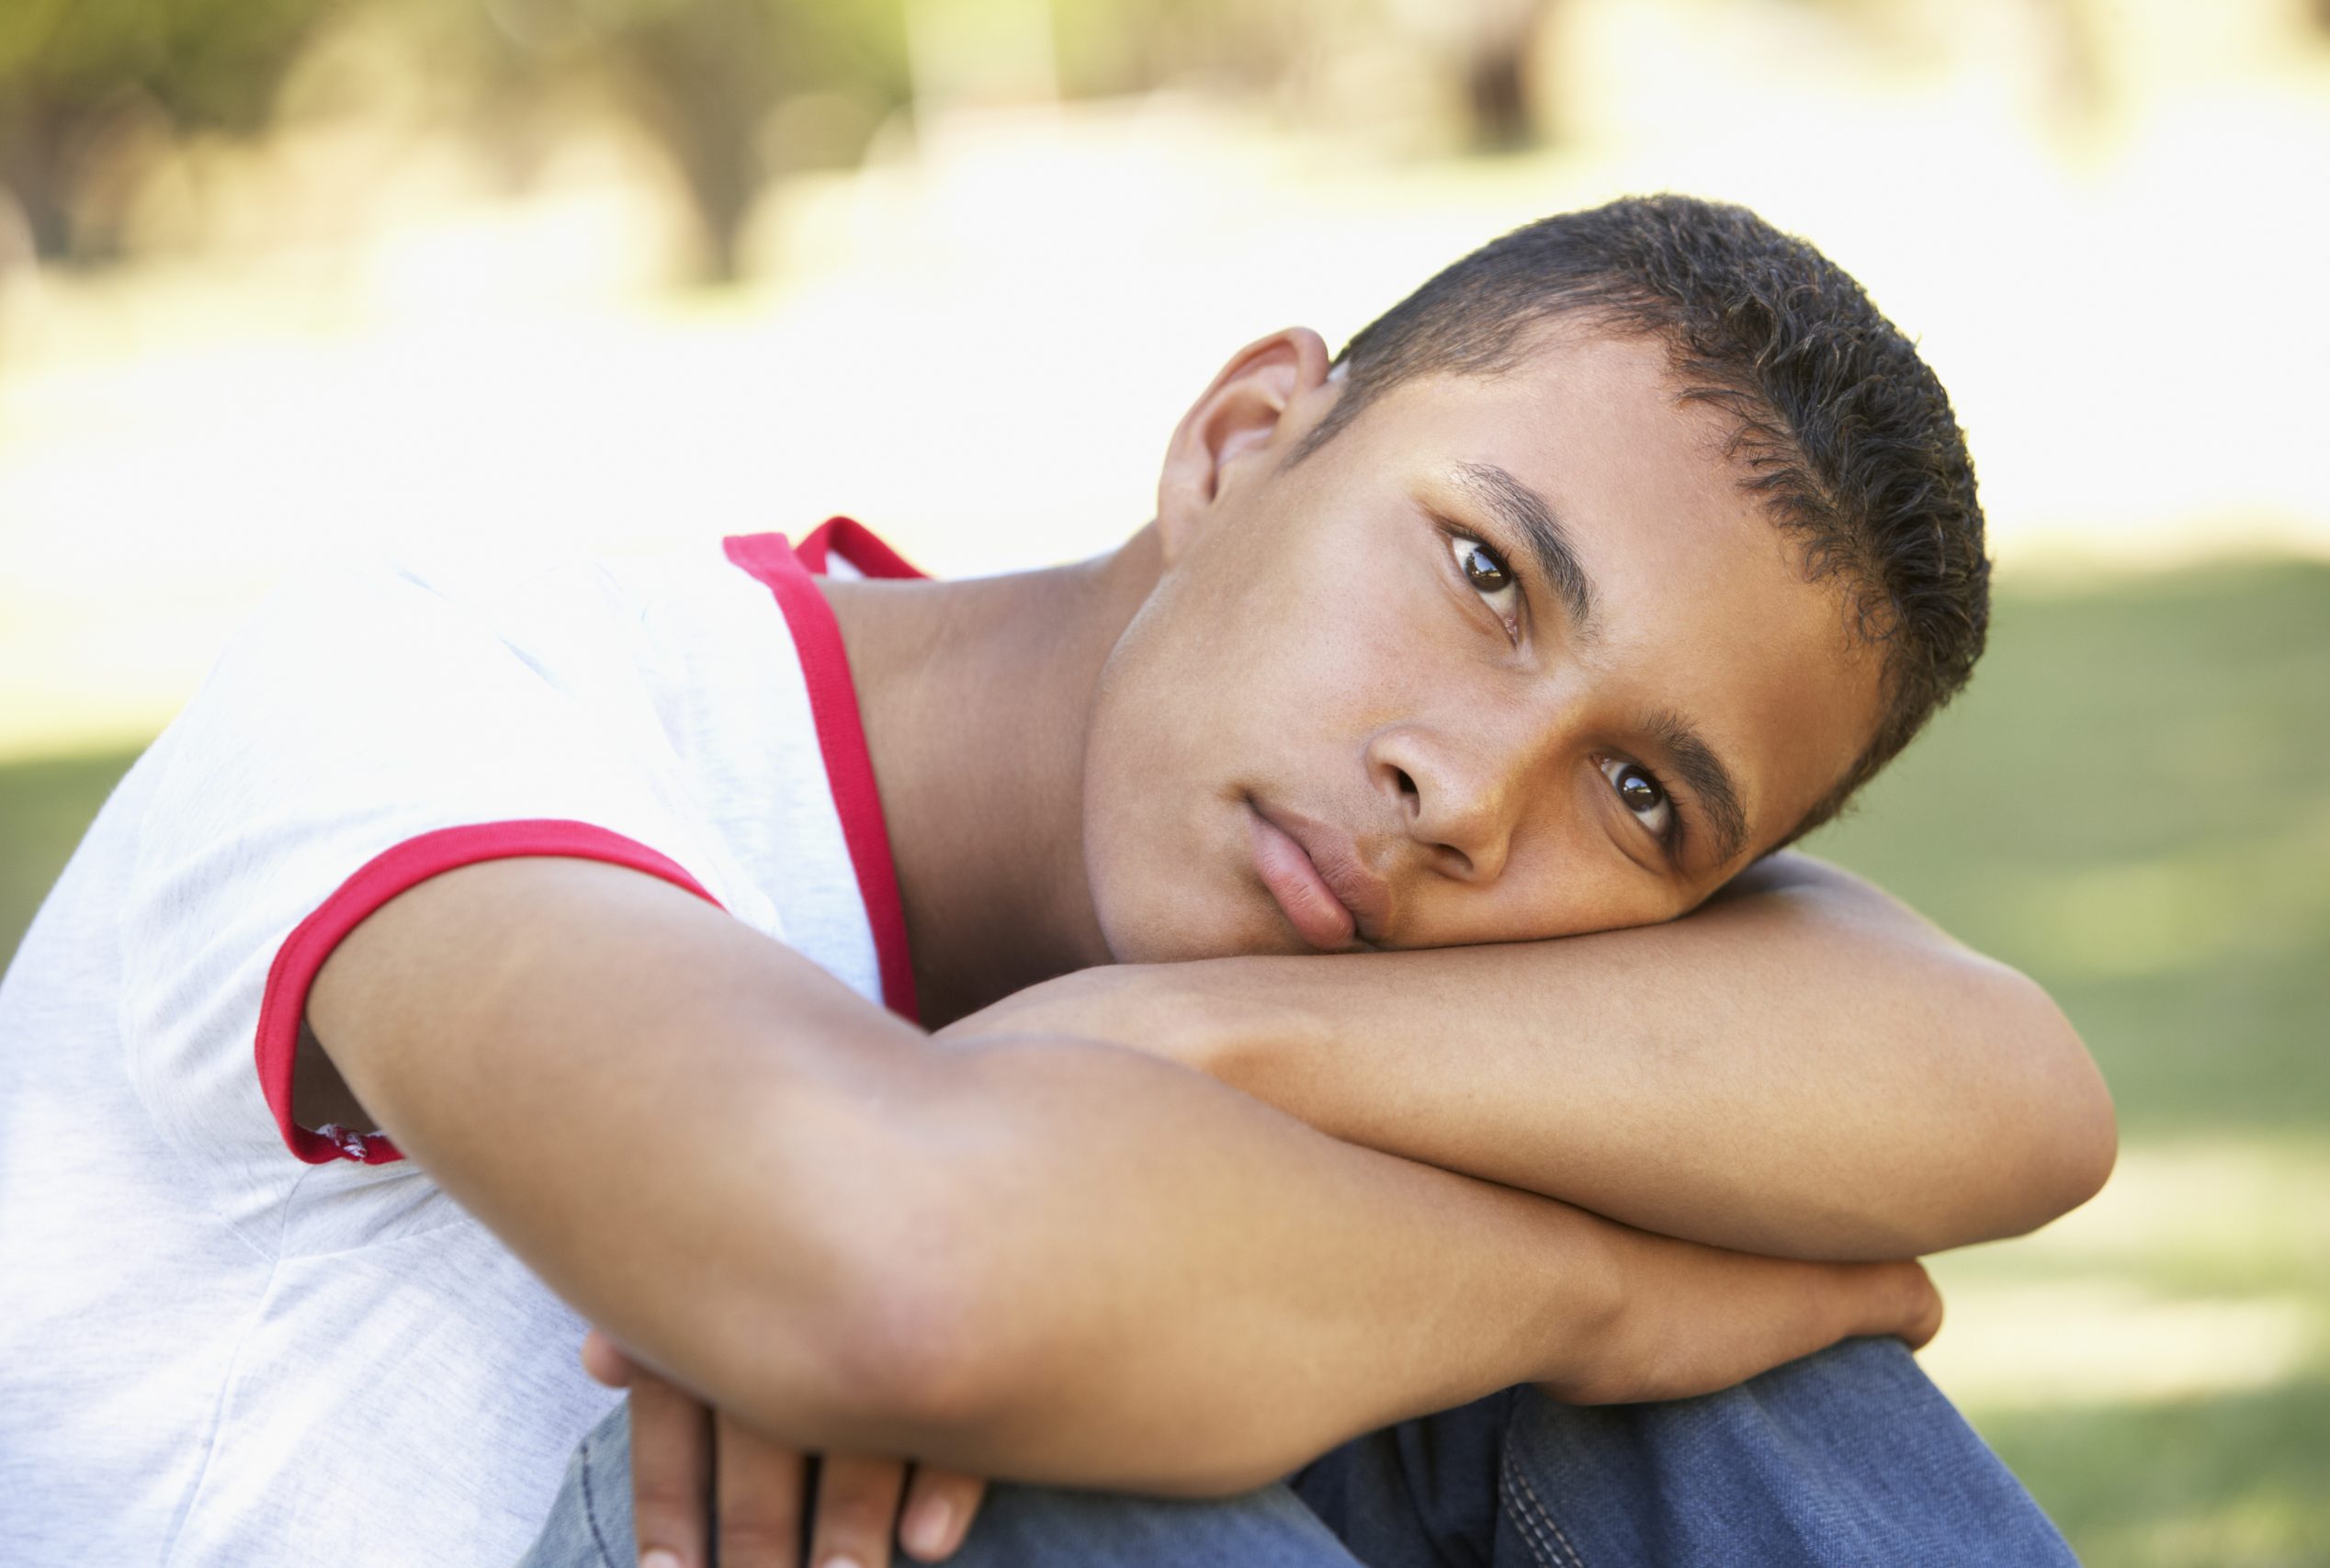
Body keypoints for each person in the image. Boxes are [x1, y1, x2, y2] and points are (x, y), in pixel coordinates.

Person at [0, 196, 2110, 1567]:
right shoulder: (443, 677)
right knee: (1000, 1427)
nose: (1464, 794)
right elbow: (901, 1274)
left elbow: (2011, 1089)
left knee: (1569, 1328)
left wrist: (1171, 1037)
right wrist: (1605, 1295)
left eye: (1644, 796)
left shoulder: (1399, 923)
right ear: (1239, 439)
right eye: (1480, 573)